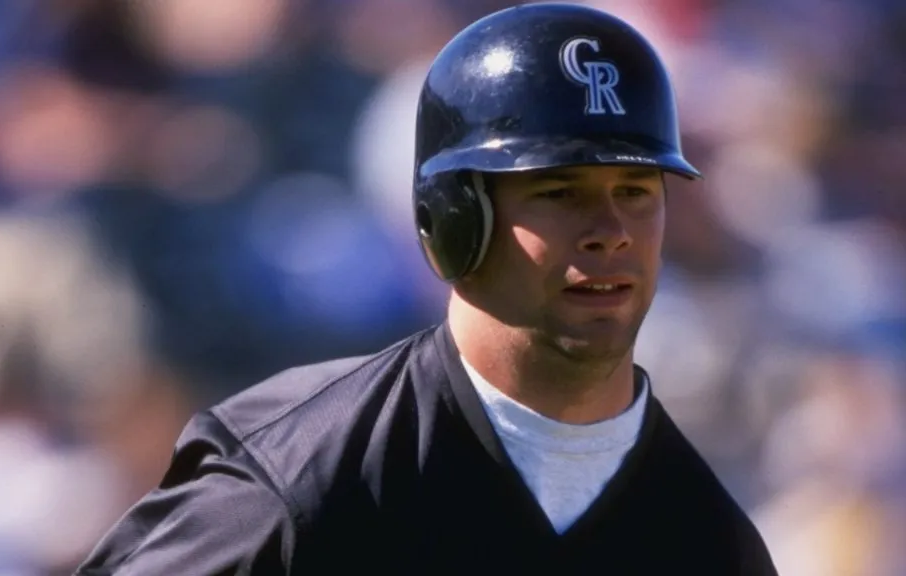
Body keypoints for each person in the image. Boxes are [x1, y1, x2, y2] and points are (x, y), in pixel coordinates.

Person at [75, 3, 779, 575]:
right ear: (450, 219)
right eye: (559, 191)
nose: (611, 231)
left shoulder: (707, 536)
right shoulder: (301, 474)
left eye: (635, 191)